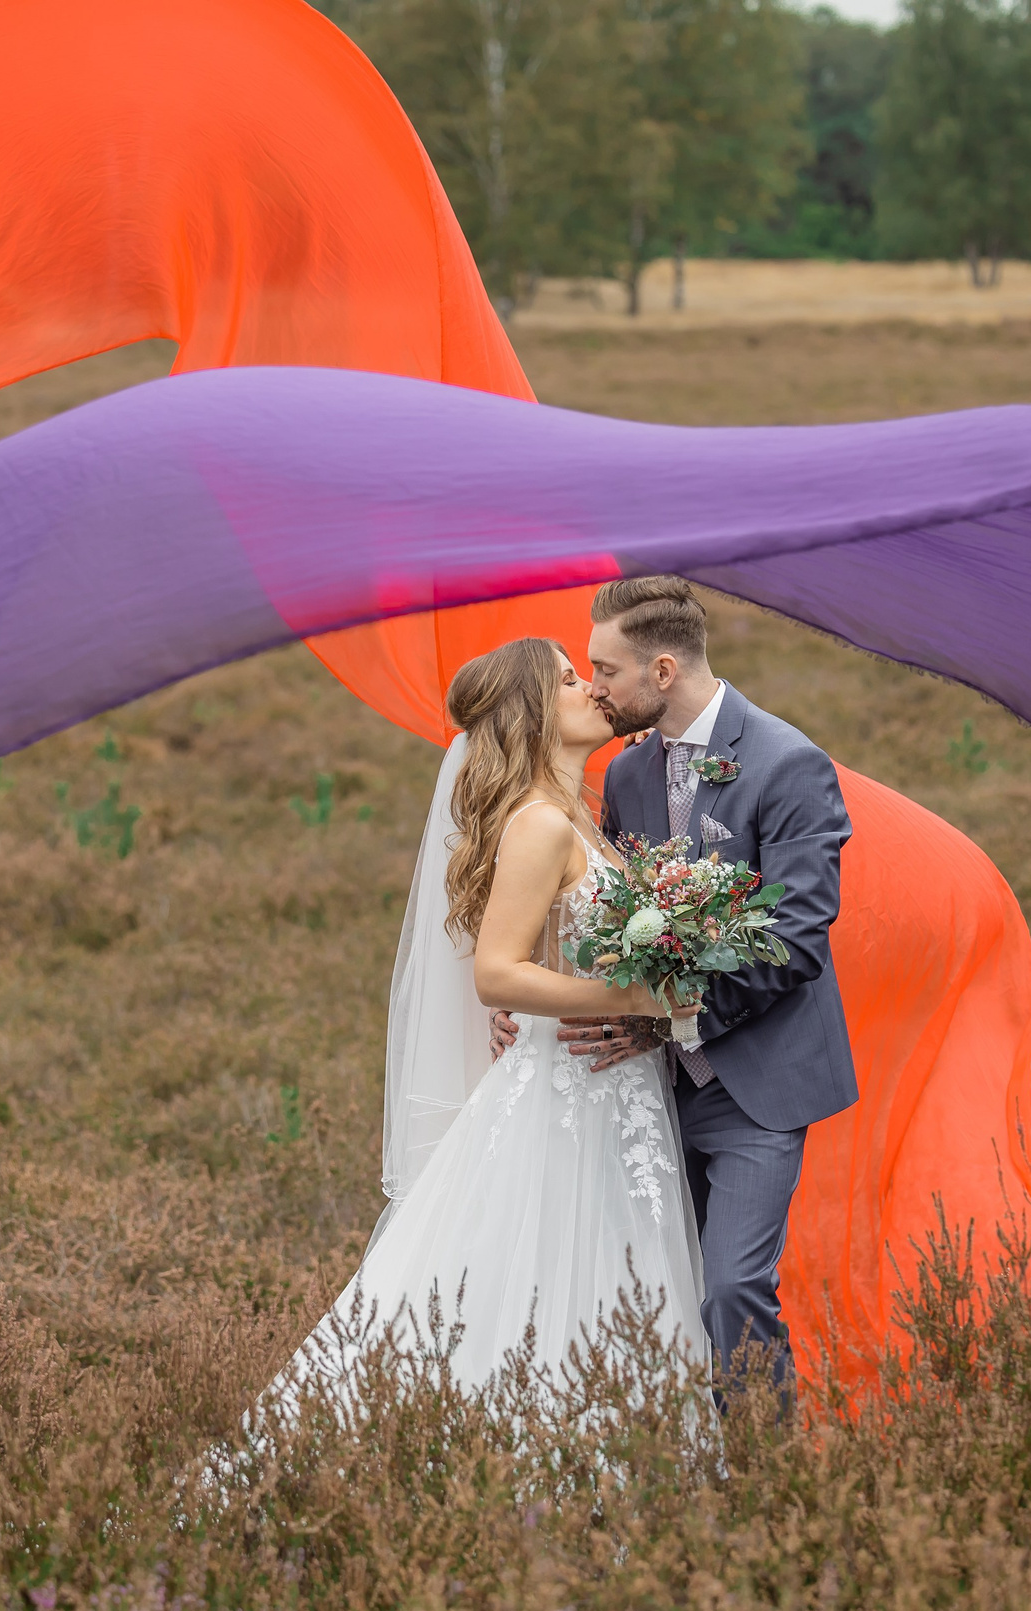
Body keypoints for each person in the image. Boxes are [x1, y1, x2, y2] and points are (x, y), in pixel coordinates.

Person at [279, 636, 708, 1396]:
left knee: (606, 1285)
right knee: (544, 1280)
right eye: (571, 680)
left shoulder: (577, 818)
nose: (591, 690)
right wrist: (638, 1000)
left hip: (614, 1090)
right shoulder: (541, 823)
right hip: (568, 1091)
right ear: (536, 711)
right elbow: (497, 972)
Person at [494, 577, 858, 1400]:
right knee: (648, 1288)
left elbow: (796, 939)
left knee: (730, 1285)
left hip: (752, 1082)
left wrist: (670, 1020)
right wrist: (519, 998)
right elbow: (608, 920)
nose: (594, 686)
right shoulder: (625, 777)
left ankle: (770, 1471)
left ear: (662, 670)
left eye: (606, 668)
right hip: (642, 1092)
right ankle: (682, 1467)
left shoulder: (787, 763)